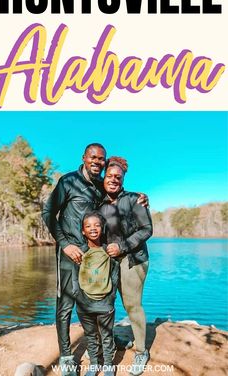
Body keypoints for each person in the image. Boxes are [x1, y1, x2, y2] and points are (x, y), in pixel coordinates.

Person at [42, 143, 147, 376]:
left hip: (94, 255)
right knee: (66, 304)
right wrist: (65, 244)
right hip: (70, 253)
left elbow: (120, 196)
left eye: (101, 159)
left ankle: (104, 344)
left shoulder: (102, 184)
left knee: (99, 297)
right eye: (93, 157)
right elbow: (48, 213)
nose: (97, 162)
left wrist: (140, 198)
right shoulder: (68, 182)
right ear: (84, 158)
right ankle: (67, 356)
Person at [99, 157, 153, 376]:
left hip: (133, 259)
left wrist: (122, 247)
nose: (113, 180)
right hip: (107, 261)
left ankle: (141, 351)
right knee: (105, 304)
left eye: (118, 177)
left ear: (122, 180)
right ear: (104, 178)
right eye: (110, 176)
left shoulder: (134, 200)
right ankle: (112, 340)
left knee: (132, 305)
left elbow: (146, 229)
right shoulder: (97, 202)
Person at [75, 211, 119, 376]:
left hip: (105, 303)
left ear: (102, 228)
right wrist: (78, 298)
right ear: (83, 231)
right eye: (88, 226)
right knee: (91, 336)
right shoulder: (79, 253)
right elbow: (74, 277)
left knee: (106, 336)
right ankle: (94, 364)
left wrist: (111, 297)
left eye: (97, 225)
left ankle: (108, 364)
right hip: (84, 304)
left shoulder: (109, 251)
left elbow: (114, 276)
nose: (93, 229)